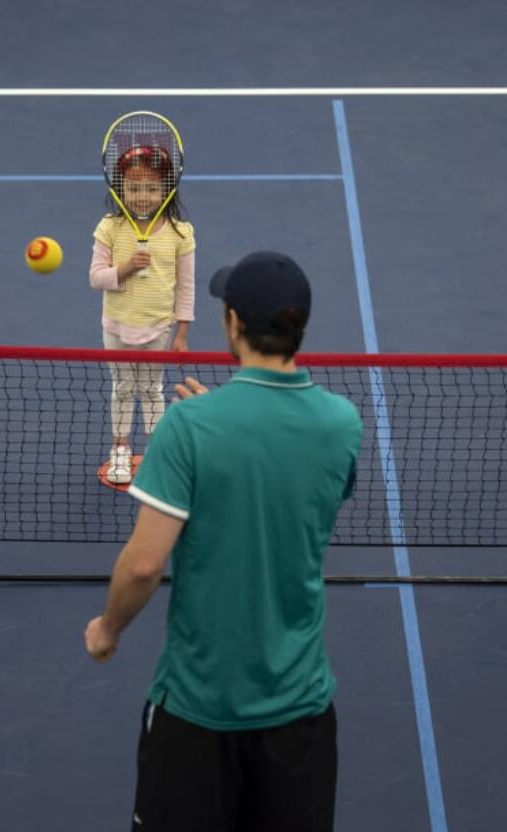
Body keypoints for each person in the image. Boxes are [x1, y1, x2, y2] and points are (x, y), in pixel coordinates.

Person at [84, 251, 362, 831]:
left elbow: (143, 566)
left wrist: (107, 630)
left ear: (234, 323)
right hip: (301, 715)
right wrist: (229, 426)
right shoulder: (342, 424)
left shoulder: (188, 428)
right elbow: (284, 482)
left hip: (198, 713)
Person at [89, 145, 195, 485]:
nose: (142, 196)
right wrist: (125, 268)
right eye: (134, 188)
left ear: (166, 188)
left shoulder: (181, 233)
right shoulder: (109, 228)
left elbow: (186, 288)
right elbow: (95, 278)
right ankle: (119, 450)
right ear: (120, 188)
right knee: (122, 388)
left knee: (151, 389)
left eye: (151, 188)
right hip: (117, 327)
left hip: (159, 329)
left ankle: (156, 452)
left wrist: (181, 333)